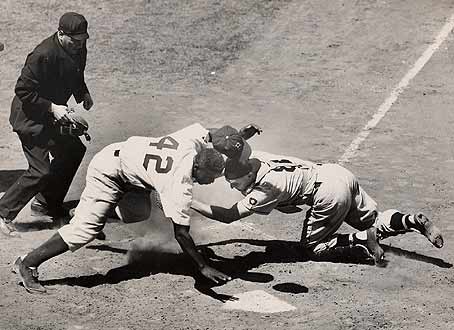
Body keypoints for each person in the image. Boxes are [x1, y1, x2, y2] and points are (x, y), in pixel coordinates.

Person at [13, 123, 261, 293]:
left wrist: (238, 136)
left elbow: (215, 136)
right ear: (200, 168)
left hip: (128, 168)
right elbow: (182, 234)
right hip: (109, 173)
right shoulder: (179, 184)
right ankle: (28, 263)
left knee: (138, 213)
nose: (210, 182)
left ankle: (90, 207)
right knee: (85, 231)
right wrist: (203, 266)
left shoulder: (191, 143)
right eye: (211, 177)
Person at [191, 150, 444, 264]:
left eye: (234, 183)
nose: (234, 187)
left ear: (247, 175)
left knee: (312, 248)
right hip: (338, 173)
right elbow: (237, 148)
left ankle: (361, 238)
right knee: (375, 220)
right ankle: (411, 220)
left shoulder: (265, 190)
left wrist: (190, 202)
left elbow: (228, 216)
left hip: (328, 195)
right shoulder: (258, 156)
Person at [0, 12, 94, 237]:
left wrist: (83, 93)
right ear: (61, 34)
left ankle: (46, 203)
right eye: (75, 40)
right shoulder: (43, 54)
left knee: (73, 150)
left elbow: (75, 73)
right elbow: (22, 90)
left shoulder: (77, 47)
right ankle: (3, 213)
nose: (79, 45)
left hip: (52, 115)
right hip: (30, 117)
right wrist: (53, 107)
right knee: (39, 170)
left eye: (83, 40)